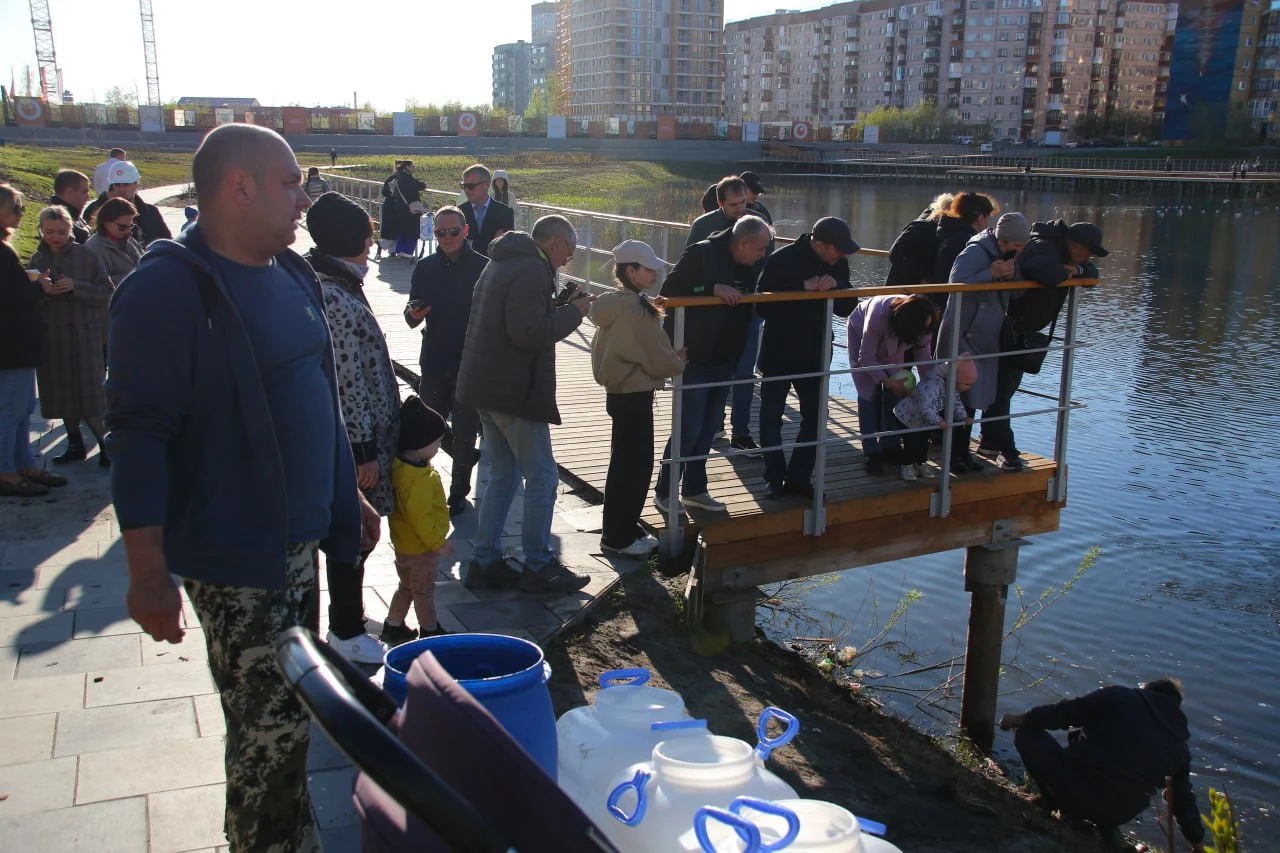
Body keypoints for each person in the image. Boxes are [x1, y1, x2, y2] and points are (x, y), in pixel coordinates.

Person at [107, 124, 372, 853]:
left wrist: (347, 494)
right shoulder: (164, 290)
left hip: (298, 543)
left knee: (291, 723)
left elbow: (317, 391)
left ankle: (293, 842)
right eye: (291, 183)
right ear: (240, 186)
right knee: (269, 731)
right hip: (236, 554)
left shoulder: (289, 274)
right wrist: (146, 572)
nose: (304, 198)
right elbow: (137, 434)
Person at [455, 216, 593, 594]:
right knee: (543, 477)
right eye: (570, 249)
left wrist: (556, 306)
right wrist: (574, 312)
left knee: (503, 475)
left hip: (485, 386)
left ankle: (485, 561)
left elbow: (515, 320)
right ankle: (539, 563)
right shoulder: (533, 269)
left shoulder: (501, 260)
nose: (570, 259)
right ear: (556, 243)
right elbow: (528, 332)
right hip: (512, 391)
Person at [306, 191, 401, 665]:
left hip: (356, 440)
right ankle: (345, 627)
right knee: (354, 531)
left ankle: (347, 616)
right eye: (368, 235)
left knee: (353, 530)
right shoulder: (335, 295)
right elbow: (348, 380)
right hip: (355, 445)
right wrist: (361, 451)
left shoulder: (332, 281)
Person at [1000, 679, 1207, 853]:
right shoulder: (1179, 750)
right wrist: (1197, 843)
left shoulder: (1119, 697)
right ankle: (1105, 828)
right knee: (1118, 789)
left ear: (1147, 692)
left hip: (1072, 789)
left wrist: (1020, 719)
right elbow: (1182, 801)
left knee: (1027, 733)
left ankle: (1053, 800)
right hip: (1116, 813)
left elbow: (1064, 713)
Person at [654, 215, 773, 513]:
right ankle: (665, 491)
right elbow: (668, 292)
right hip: (694, 356)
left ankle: (695, 489)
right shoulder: (701, 253)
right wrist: (711, 288)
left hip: (726, 356)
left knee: (707, 429)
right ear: (743, 242)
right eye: (760, 249)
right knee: (688, 427)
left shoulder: (753, 263)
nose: (763, 255)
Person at [589, 240, 686, 556]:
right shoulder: (637, 310)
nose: (656, 272)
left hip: (618, 394)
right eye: (649, 268)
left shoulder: (614, 304)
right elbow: (660, 359)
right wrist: (679, 359)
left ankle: (622, 528)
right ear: (630, 271)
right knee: (636, 467)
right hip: (635, 394)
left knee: (622, 465)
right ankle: (619, 539)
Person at [988, 219, 1105, 471]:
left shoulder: (1059, 253)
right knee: (1000, 390)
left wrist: (1078, 271)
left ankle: (990, 442)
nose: (1089, 258)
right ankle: (1006, 450)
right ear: (1075, 246)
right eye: (1088, 252)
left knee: (1003, 389)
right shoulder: (1043, 247)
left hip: (1020, 331)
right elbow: (1048, 274)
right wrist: (1068, 271)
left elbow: (1092, 274)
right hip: (1006, 329)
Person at [755, 217, 859, 500]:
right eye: (838, 250)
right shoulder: (781, 259)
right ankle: (774, 477)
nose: (841, 255)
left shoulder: (837, 263)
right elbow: (761, 305)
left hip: (816, 352)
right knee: (769, 419)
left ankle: (800, 477)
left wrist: (836, 284)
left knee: (815, 419)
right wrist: (803, 287)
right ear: (820, 244)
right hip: (779, 351)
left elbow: (847, 307)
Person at [405, 205, 488, 516]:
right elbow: (410, 314)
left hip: (470, 361)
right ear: (434, 233)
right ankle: (460, 457)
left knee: (466, 428)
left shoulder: (484, 266)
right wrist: (413, 314)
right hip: (435, 358)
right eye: (441, 232)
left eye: (454, 231)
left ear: (465, 231)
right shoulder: (425, 268)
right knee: (430, 428)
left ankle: (457, 492)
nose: (448, 237)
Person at [938, 212, 1032, 473]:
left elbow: (1020, 292)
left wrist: (1011, 277)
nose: (1017, 251)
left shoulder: (1010, 254)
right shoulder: (975, 251)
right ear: (1001, 241)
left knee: (976, 395)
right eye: (1014, 247)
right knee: (960, 396)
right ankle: (954, 455)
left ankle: (963, 453)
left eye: (1021, 247)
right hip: (963, 332)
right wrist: (989, 273)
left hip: (987, 335)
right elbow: (955, 282)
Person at [28, 206, 114, 468]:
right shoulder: (37, 260)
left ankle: (106, 445)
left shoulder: (86, 256)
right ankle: (74, 444)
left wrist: (76, 286)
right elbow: (26, 298)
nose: (56, 237)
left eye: (62, 232)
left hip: (84, 335)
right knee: (62, 393)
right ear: (42, 231)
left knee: (91, 397)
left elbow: (106, 292)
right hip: (52, 336)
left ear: (70, 230)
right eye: (50, 232)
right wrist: (42, 291)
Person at [688, 176, 767, 455]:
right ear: (720, 202)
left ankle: (742, 432)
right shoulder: (704, 226)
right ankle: (713, 425)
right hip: (713, 314)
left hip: (748, 311)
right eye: (733, 204)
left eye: (744, 202)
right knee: (716, 371)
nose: (740, 208)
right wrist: (712, 288)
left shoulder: (757, 221)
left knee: (745, 374)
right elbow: (688, 271)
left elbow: (767, 265)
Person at [1, 184, 66, 497]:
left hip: (19, 345)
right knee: (10, 410)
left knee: (23, 407)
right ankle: (6, 472)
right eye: (15, 207)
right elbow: (8, 299)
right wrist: (38, 287)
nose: (20, 213)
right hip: (10, 346)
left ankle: (22, 463)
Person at [383, 396, 454, 644]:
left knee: (406, 587)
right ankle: (430, 631)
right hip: (421, 549)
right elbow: (420, 518)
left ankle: (393, 624)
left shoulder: (402, 468)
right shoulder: (419, 480)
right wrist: (438, 543)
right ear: (419, 445)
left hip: (404, 545)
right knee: (423, 591)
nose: (438, 447)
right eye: (437, 443)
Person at [847, 294, 939, 475]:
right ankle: (870, 450)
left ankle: (890, 443)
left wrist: (931, 387)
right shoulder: (878, 316)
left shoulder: (922, 324)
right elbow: (865, 358)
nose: (923, 333)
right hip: (861, 333)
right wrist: (887, 381)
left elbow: (924, 358)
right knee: (867, 393)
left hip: (894, 343)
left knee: (894, 393)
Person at [892, 356, 975, 480]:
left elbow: (955, 403)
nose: (969, 387)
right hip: (908, 417)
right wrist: (938, 421)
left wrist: (963, 417)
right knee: (912, 443)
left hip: (924, 421)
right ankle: (907, 465)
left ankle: (920, 462)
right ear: (956, 379)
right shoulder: (933, 385)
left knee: (924, 443)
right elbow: (925, 406)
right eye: (967, 384)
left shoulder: (952, 387)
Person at [83, 161, 171, 247]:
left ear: (136, 184)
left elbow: (167, 242)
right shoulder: (94, 210)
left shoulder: (151, 212)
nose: (121, 189)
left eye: (126, 185)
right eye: (117, 184)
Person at [932, 192, 998, 298]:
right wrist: (991, 272)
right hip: (951, 304)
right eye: (987, 219)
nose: (988, 224)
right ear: (981, 219)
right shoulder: (967, 241)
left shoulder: (951, 233)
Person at [884, 192, 954, 286]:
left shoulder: (935, 229)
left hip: (913, 286)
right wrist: (917, 278)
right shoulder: (920, 227)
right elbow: (896, 252)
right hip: (902, 287)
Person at [458, 163, 515, 257]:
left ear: (487, 185)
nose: (467, 190)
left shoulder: (505, 212)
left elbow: (508, 247)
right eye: (464, 186)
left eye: (471, 186)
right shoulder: (458, 212)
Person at [85, 198, 144, 286]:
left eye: (130, 226)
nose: (127, 231)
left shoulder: (128, 239)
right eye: (122, 227)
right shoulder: (94, 248)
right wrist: (136, 276)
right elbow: (100, 284)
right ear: (106, 223)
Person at [381, 159, 426, 258]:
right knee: (413, 231)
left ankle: (399, 249)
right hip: (410, 209)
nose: (414, 168)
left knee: (402, 230)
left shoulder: (397, 177)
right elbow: (418, 185)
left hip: (400, 208)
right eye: (412, 166)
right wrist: (422, 184)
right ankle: (407, 252)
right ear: (407, 166)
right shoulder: (406, 178)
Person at [48, 169, 92, 244]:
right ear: (69, 193)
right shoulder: (57, 220)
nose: (88, 198)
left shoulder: (74, 215)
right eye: (84, 192)